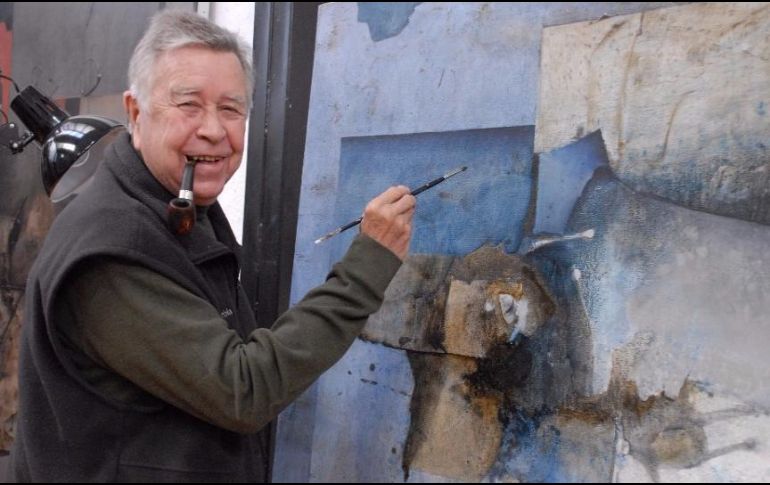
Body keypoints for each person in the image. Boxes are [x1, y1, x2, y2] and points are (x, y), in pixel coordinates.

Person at [9, 10, 415, 482]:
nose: (214, 131)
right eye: (189, 105)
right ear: (135, 113)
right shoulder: (111, 251)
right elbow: (243, 389)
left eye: (231, 109)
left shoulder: (181, 210)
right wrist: (368, 264)